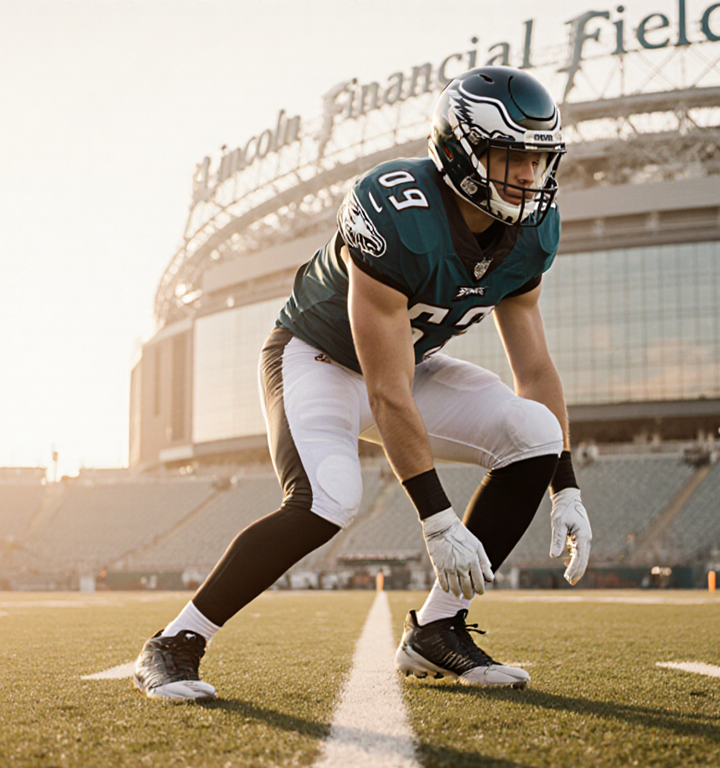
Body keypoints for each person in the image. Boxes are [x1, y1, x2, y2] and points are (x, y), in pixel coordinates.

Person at [132, 66, 593, 701]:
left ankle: (437, 631)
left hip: (409, 366)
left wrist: (563, 484)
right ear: (460, 151)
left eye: (536, 160)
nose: (526, 177)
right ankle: (176, 641)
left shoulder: (534, 230)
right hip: (318, 358)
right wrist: (437, 520)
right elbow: (385, 389)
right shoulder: (396, 207)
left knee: (536, 433)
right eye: (508, 157)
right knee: (329, 499)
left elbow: (535, 368)